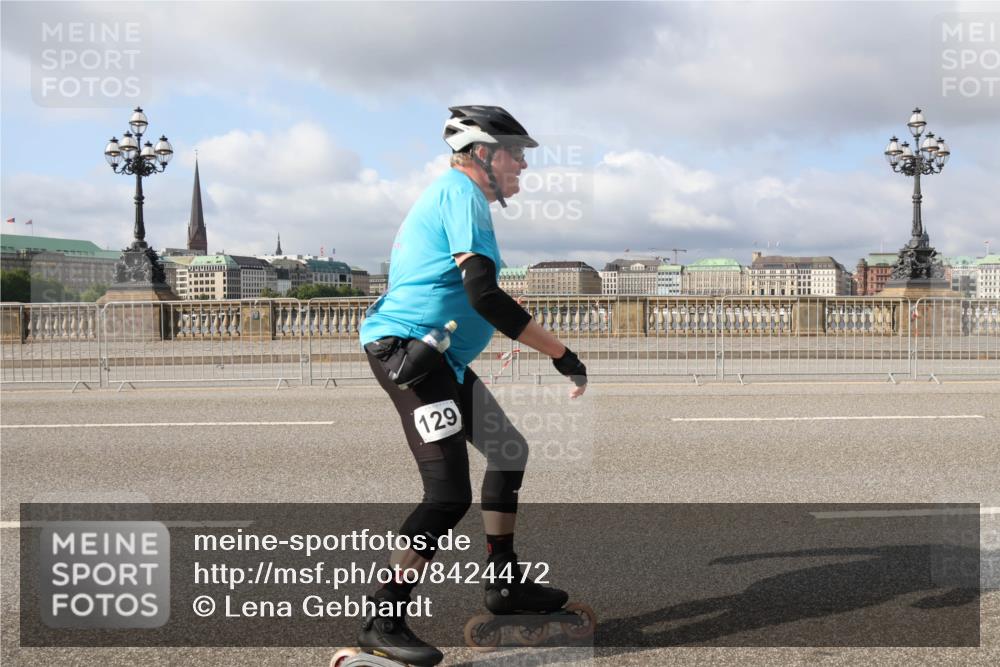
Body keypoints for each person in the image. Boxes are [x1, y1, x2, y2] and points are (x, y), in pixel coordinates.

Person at [356, 105, 588, 666]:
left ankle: (505, 584)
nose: (523, 166)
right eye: (517, 154)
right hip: (409, 356)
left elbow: (475, 295)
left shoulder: (459, 197)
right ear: (483, 153)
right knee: (447, 495)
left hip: (444, 361)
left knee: (508, 451)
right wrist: (562, 354)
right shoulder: (460, 193)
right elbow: (483, 294)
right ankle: (382, 620)